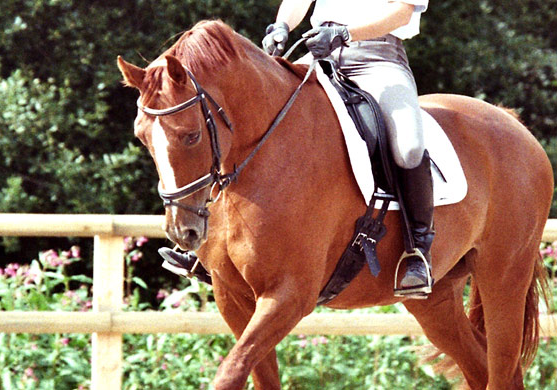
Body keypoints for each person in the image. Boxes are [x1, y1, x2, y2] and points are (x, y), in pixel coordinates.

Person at [160, 0, 434, 298]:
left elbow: (402, 12)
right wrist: (282, 26)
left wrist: (345, 33)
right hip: (319, 54)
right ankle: (209, 242)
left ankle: (417, 250)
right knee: (243, 117)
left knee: (408, 147)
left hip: (377, 59)